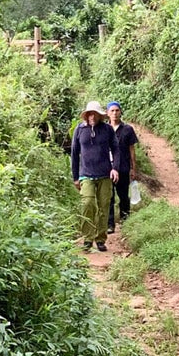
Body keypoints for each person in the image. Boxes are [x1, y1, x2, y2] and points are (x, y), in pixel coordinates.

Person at [71, 100, 118, 252]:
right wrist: (75, 177)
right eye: (89, 114)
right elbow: (74, 154)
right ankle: (87, 238)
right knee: (87, 204)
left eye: (95, 114)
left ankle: (100, 239)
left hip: (105, 174)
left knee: (104, 207)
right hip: (86, 175)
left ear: (99, 115)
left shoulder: (107, 130)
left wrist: (115, 168)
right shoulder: (79, 130)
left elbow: (116, 149)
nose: (92, 116)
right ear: (86, 115)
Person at [106, 101, 138, 234]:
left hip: (124, 168)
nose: (114, 113)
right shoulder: (104, 129)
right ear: (107, 113)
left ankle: (125, 221)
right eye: (112, 111)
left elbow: (132, 150)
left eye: (117, 110)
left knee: (123, 196)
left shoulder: (127, 129)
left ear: (120, 112)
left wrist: (133, 168)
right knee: (109, 197)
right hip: (107, 168)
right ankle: (110, 224)